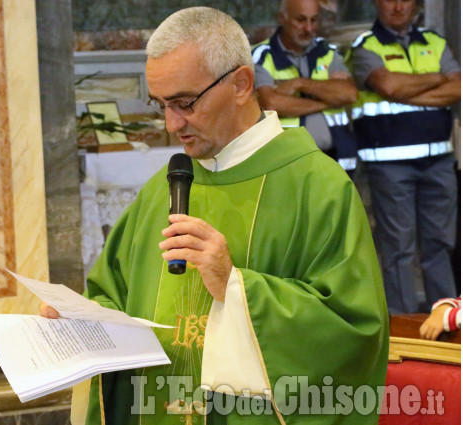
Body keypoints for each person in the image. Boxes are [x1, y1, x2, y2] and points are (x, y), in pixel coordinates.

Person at [42, 7, 388, 424]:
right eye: (161, 105)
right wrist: (80, 321)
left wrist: (236, 287)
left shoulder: (317, 187)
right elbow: (113, 294)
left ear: (241, 84)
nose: (172, 124)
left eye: (185, 103)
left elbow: (353, 332)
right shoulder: (161, 191)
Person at [345, 0, 461, 314]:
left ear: (417, 5)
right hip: (389, 164)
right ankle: (406, 329)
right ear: (376, 4)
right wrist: (438, 78)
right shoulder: (365, 46)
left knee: (440, 246)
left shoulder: (434, 42)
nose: (397, 6)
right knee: (399, 251)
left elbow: (459, 87)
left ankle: (448, 322)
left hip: (438, 162)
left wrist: (409, 89)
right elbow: (389, 85)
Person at [252, 0, 358, 176]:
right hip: (287, 164)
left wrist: (299, 83)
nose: (309, 28)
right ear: (282, 19)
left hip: (336, 161)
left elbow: (349, 94)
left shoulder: (328, 52)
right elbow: (271, 103)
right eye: (301, 20)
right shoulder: (262, 56)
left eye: (314, 20)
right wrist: (328, 101)